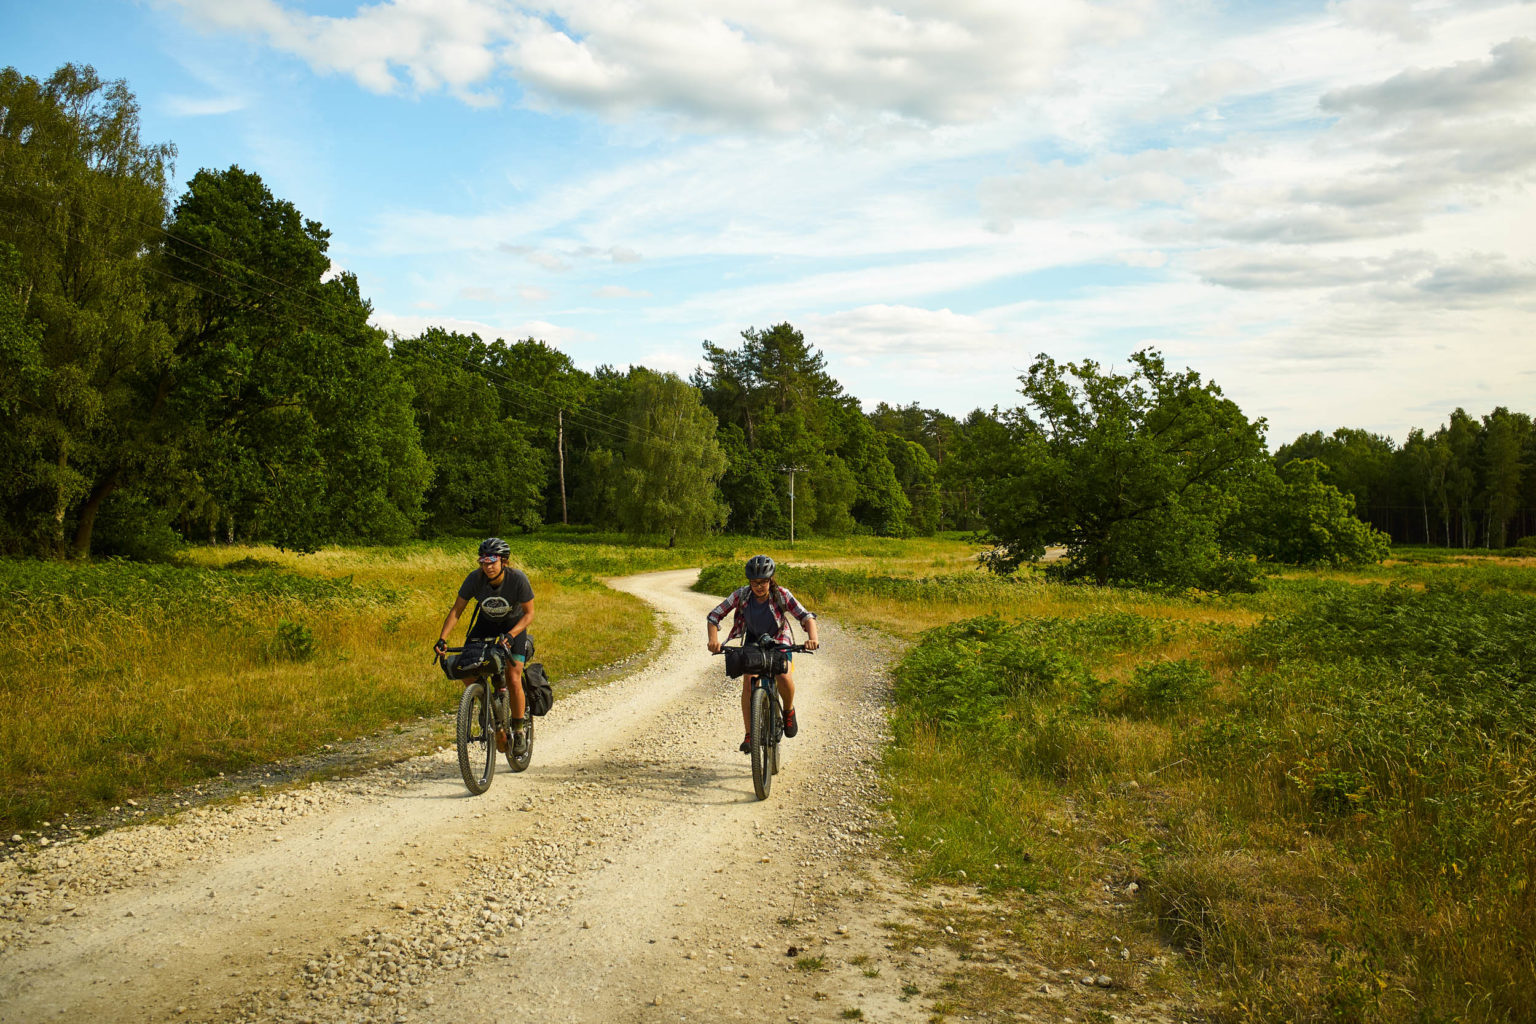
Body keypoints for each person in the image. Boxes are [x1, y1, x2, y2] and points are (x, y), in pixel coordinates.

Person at [706, 554, 819, 753]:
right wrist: (713, 640)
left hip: (779, 638)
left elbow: (806, 616)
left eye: (764, 582)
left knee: (783, 674)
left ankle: (788, 711)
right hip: (753, 638)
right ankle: (750, 734)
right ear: (749, 581)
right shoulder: (741, 595)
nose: (759, 586)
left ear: (771, 580)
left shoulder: (781, 595)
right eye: (755, 582)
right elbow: (715, 615)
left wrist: (812, 638)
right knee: (749, 680)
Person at [434, 538, 536, 754]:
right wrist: (442, 638)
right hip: (485, 624)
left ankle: (518, 731)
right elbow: (457, 610)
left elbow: (529, 614)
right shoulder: (475, 579)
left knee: (513, 675)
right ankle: (485, 700)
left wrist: (511, 634)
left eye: (492, 561)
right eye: (483, 562)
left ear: (503, 561)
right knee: (465, 667)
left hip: (513, 626)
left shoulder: (517, 579)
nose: (487, 566)